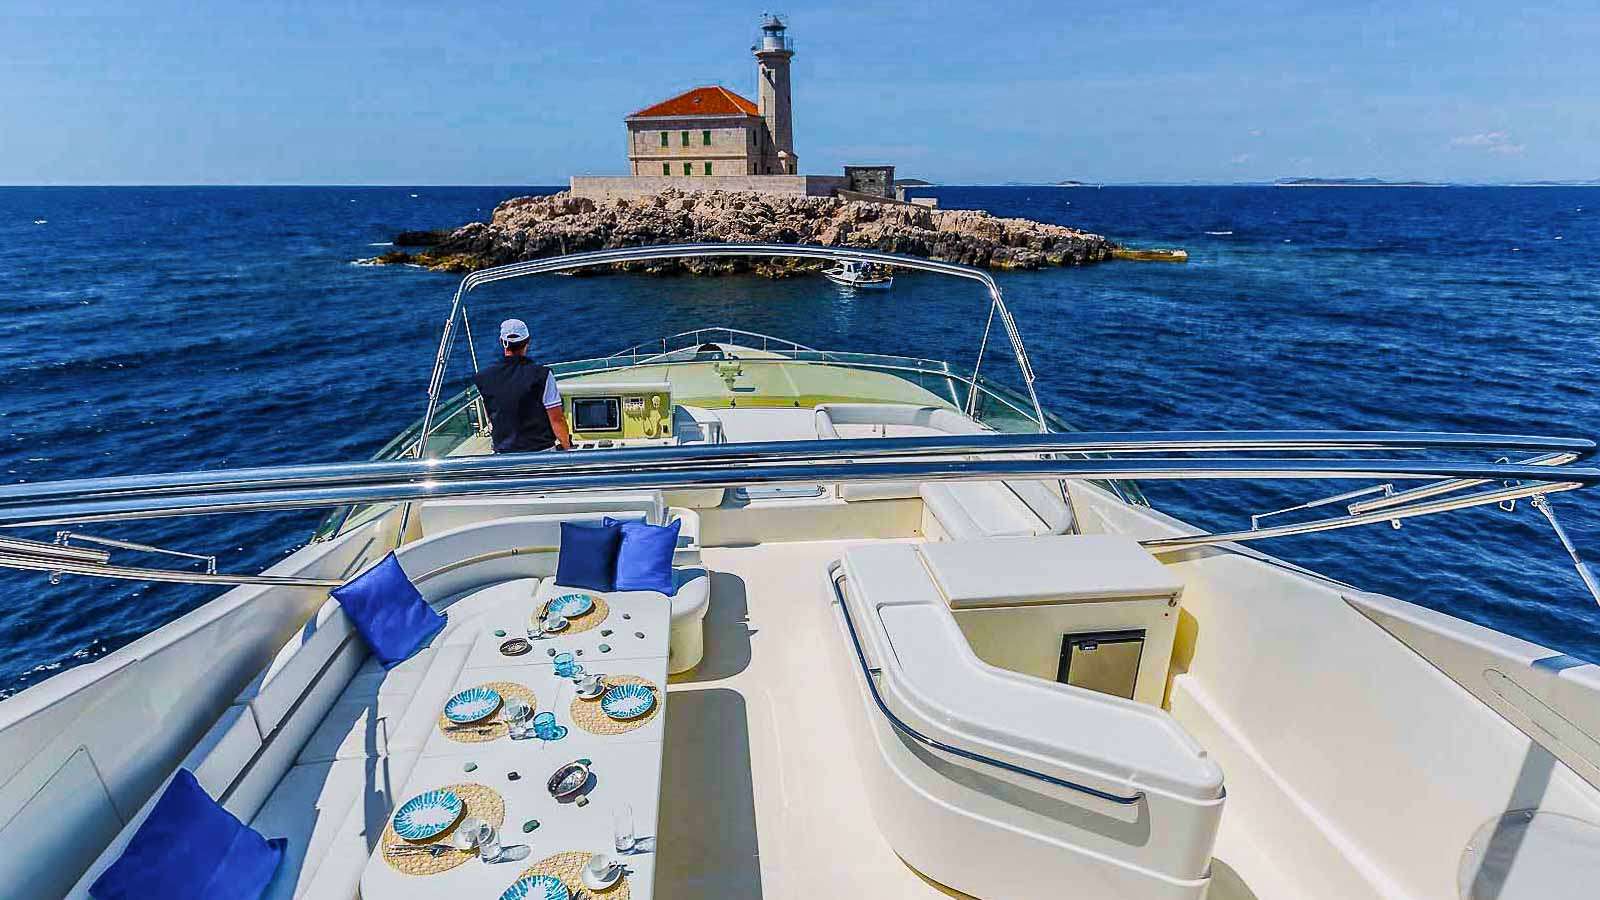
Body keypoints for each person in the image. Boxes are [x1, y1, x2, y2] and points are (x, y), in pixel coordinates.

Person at [473, 318, 573, 453]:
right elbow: (557, 420)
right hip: (541, 453)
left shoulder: (483, 378)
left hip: (504, 456)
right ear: (528, 341)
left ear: (502, 342)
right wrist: (568, 448)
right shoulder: (543, 375)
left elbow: (492, 417)